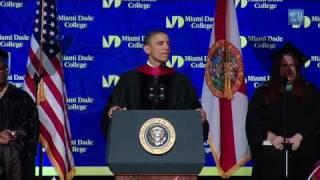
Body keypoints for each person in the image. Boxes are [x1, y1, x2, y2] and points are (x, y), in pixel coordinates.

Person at [103, 30, 208, 137]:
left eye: (168, 43)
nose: (166, 47)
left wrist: (198, 116)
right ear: (147, 49)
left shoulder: (180, 81)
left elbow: (192, 113)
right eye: (160, 43)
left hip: (174, 146)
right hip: (134, 145)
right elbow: (113, 112)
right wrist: (113, 112)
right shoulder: (129, 79)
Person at [246, 42, 320, 179]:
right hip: (272, 153)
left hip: (302, 151)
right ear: (277, 68)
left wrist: (300, 136)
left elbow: (316, 120)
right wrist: (272, 137)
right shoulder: (265, 92)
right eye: (284, 65)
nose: (288, 69)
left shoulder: (310, 92)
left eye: (291, 65)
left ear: (298, 68)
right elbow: (254, 121)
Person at [0, 49, 39, 180]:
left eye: (4, 68)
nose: (1, 72)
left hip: (14, 158)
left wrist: (14, 133)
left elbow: (31, 125)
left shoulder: (21, 98)